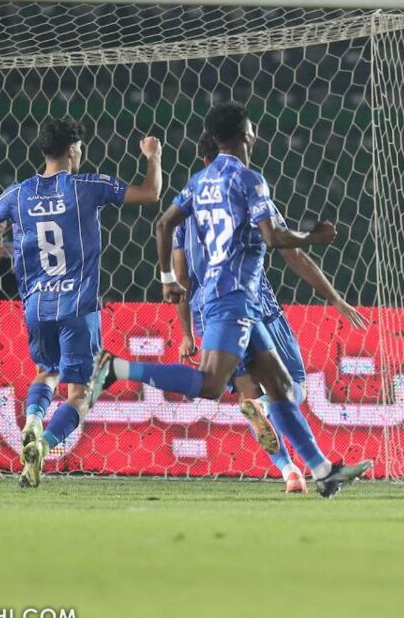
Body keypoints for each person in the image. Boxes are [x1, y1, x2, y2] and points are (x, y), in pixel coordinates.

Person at [91, 103, 370, 498]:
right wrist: (314, 237)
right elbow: (274, 239)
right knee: (211, 383)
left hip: (228, 300)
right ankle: (117, 367)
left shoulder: (198, 181)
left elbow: (163, 223)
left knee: (278, 385)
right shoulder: (249, 180)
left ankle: (323, 471)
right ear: (246, 135)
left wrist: (167, 279)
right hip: (234, 296)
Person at [0, 118, 162, 487]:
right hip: (78, 308)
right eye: (80, 147)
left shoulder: (18, 194)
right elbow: (150, 193)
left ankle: (33, 421)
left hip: (37, 308)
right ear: (71, 150)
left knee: (46, 371)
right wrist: (153, 156)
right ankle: (44, 444)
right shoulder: (88, 186)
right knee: (80, 395)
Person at [173, 133, 371, 493]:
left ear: (203, 163)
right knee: (292, 388)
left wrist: (187, 331)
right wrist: (334, 297)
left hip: (210, 312)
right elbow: (291, 252)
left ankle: (289, 471)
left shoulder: (187, 208)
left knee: (246, 394)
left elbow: (181, 276)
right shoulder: (247, 190)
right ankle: (272, 416)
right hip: (256, 303)